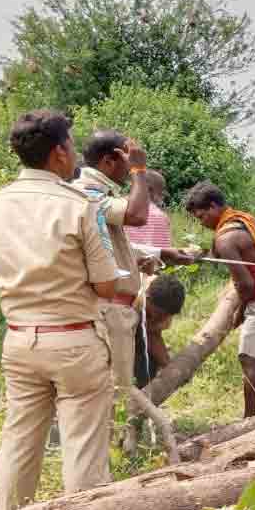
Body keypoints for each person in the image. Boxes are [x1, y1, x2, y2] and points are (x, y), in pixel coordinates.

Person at [0, 111, 121, 510]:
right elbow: (106, 285)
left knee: (20, 441)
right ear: (60, 153)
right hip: (75, 338)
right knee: (82, 446)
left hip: (20, 338)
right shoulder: (80, 206)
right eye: (72, 145)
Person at [185, 182, 255, 417]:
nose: (202, 222)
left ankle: (249, 420)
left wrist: (241, 312)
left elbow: (247, 285)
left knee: (249, 357)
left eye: (202, 215)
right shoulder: (245, 218)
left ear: (214, 206)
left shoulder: (225, 239)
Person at [71, 130, 150, 396]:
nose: (129, 166)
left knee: (115, 390)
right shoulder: (88, 193)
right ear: (109, 161)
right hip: (108, 311)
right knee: (115, 392)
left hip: (113, 310)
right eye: (126, 159)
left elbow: (107, 245)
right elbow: (137, 215)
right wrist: (139, 170)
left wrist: (162, 254)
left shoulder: (99, 192)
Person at [133, 274, 186, 389]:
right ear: (147, 297)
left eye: (164, 316)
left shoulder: (167, 305)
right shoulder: (131, 295)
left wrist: (168, 366)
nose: (159, 318)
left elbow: (153, 335)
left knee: (148, 365)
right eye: (157, 314)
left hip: (140, 334)